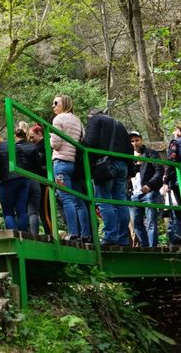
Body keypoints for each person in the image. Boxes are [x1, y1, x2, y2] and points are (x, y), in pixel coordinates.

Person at [83, 108, 133, 246]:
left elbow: (90, 142)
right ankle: (123, 239)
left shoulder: (95, 120)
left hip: (105, 164)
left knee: (103, 199)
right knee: (120, 201)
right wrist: (131, 171)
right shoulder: (118, 123)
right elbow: (129, 148)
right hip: (123, 164)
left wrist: (89, 165)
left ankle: (110, 236)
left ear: (91, 115)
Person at [51, 95, 92, 243]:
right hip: (75, 164)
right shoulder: (78, 120)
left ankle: (73, 233)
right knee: (79, 200)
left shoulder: (58, 119)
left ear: (64, 104)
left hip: (61, 162)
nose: (53, 106)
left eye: (56, 103)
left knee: (66, 198)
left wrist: (50, 138)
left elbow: (56, 144)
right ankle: (85, 234)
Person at [0, 127, 32, 232]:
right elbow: (23, 158)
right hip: (22, 177)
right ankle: (24, 234)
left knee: (8, 212)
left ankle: (14, 235)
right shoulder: (11, 144)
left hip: (6, 180)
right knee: (22, 210)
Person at [129, 131, 163, 247]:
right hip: (134, 193)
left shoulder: (151, 154)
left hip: (149, 192)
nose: (134, 143)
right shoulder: (129, 157)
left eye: (137, 140)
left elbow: (159, 170)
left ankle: (152, 247)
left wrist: (149, 185)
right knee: (136, 223)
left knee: (151, 222)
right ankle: (144, 246)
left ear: (141, 140)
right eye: (132, 141)